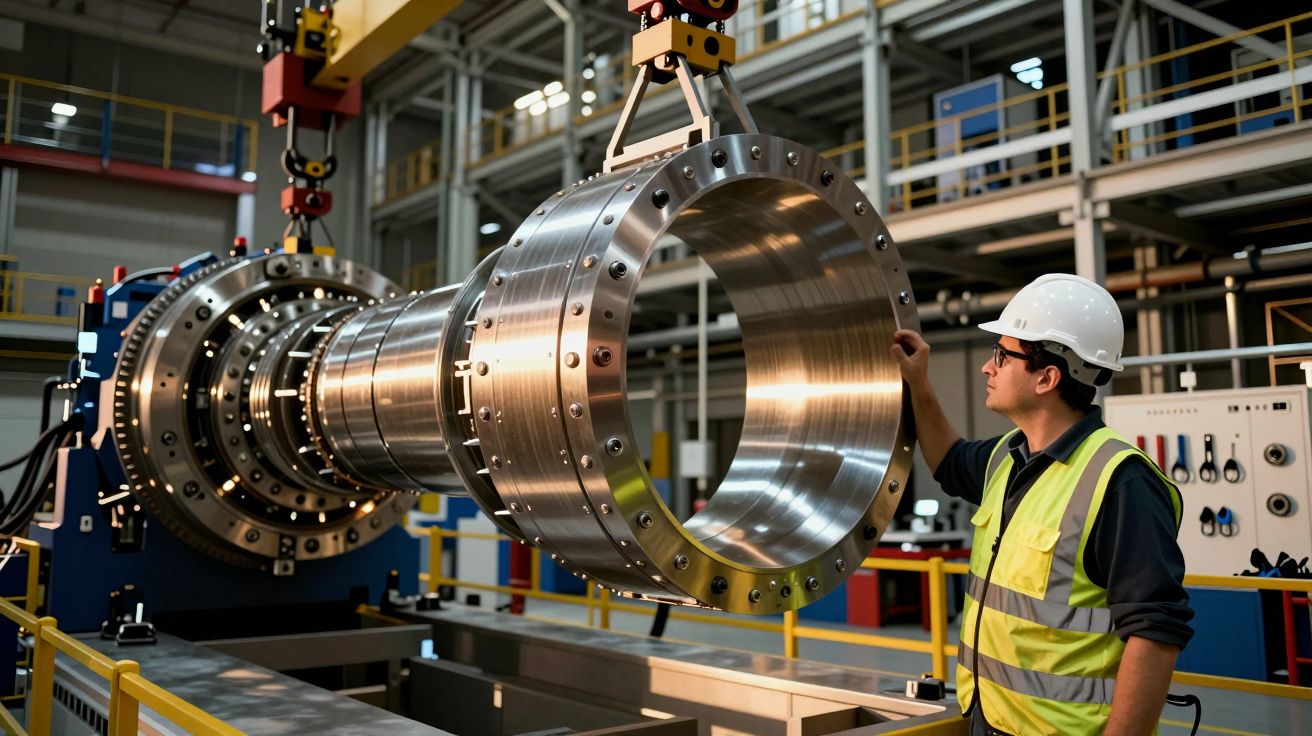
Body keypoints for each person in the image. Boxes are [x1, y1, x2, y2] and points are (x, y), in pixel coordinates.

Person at [890, 273, 1193, 736]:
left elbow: (1155, 633)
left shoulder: (1121, 482)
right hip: (987, 719)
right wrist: (918, 382)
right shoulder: (1006, 457)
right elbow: (948, 460)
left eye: (1002, 355)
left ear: (1047, 377)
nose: (987, 368)